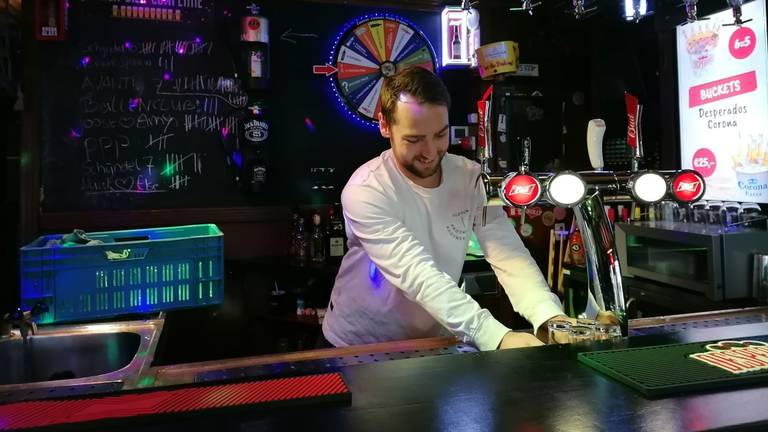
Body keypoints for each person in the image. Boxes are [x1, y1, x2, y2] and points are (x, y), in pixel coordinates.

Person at [320, 66, 567, 351]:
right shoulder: (366, 189)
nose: (430, 151)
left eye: (440, 135)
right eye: (414, 139)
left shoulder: (470, 177)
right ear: (385, 126)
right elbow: (418, 275)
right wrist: (496, 336)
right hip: (360, 344)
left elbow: (508, 254)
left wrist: (548, 316)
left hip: (433, 340)